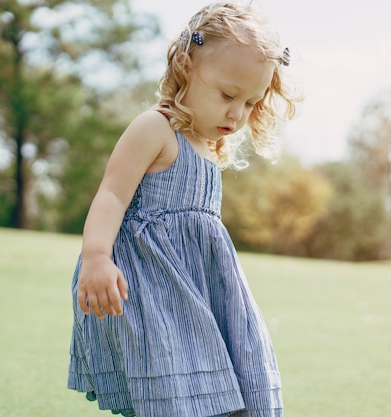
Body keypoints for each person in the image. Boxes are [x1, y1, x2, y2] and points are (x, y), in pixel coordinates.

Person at [67, 2, 298, 416]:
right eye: (228, 95)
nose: (236, 113)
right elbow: (112, 195)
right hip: (152, 290)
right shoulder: (155, 128)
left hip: (203, 290)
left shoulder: (209, 147)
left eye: (250, 102)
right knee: (172, 392)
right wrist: (96, 256)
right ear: (187, 65)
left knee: (228, 383)